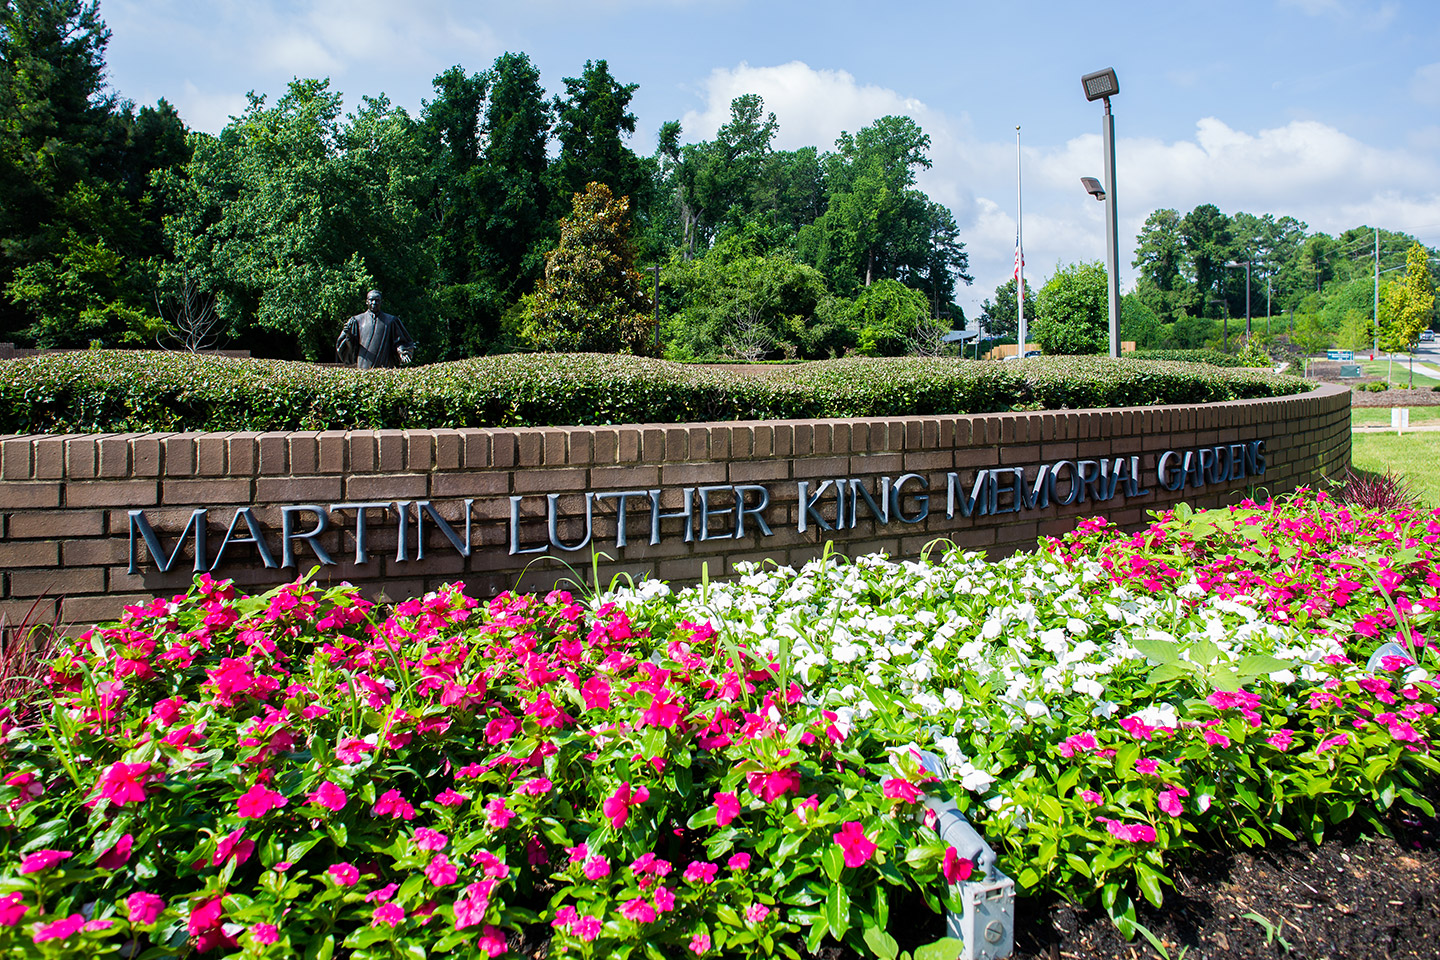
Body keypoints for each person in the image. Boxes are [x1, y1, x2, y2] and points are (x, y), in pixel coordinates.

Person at [336, 290, 416, 369]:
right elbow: (350, 346)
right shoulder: (357, 320)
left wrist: (402, 351)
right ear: (367, 301)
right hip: (363, 367)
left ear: (381, 302)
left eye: (377, 300)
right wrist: (348, 335)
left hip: (385, 367)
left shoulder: (391, 321)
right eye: (371, 300)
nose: (374, 303)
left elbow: (400, 341)